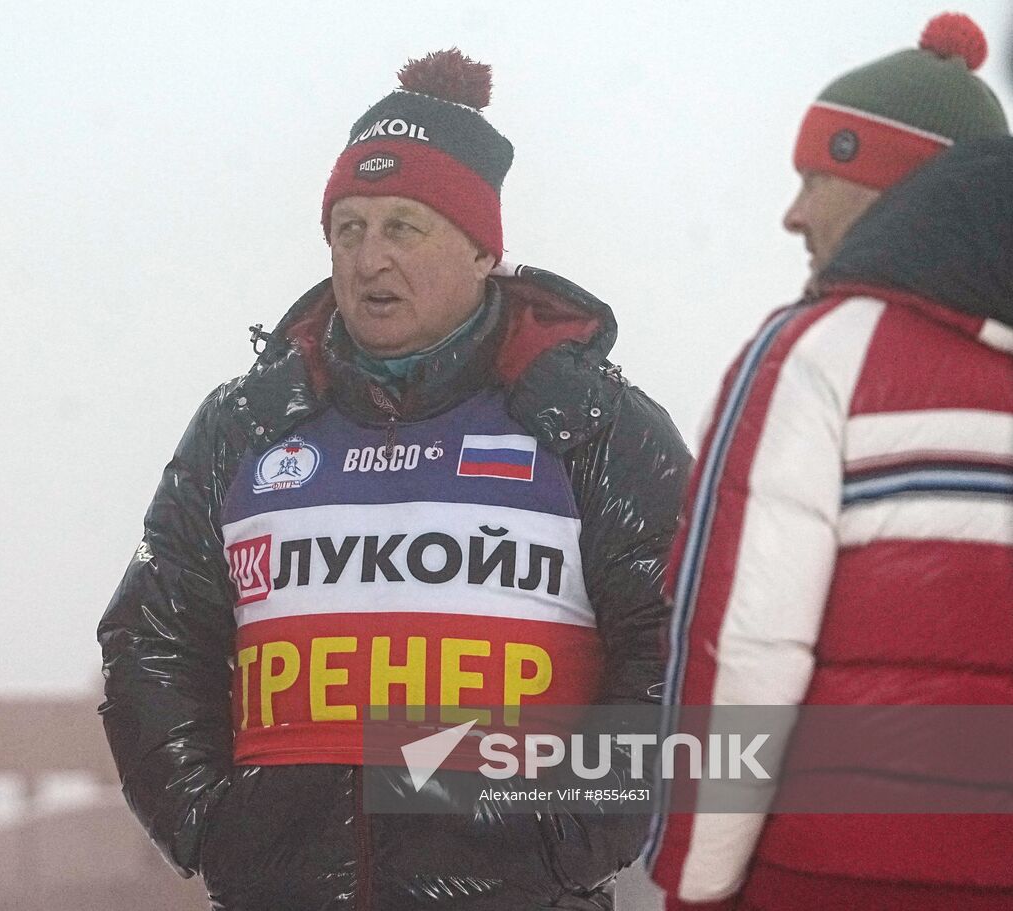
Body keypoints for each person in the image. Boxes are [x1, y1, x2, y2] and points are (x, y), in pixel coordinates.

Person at [99, 49, 691, 909]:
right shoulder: (246, 426)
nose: (368, 260)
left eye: (402, 228)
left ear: (482, 249)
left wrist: (561, 841)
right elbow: (152, 639)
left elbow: (679, 657)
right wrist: (211, 826)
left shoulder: (594, 426)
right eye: (349, 229)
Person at [647, 14, 1012, 910]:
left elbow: (740, 649)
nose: (794, 212)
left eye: (821, 175)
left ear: (902, 191)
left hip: (828, 879)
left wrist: (694, 885)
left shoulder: (814, 356)